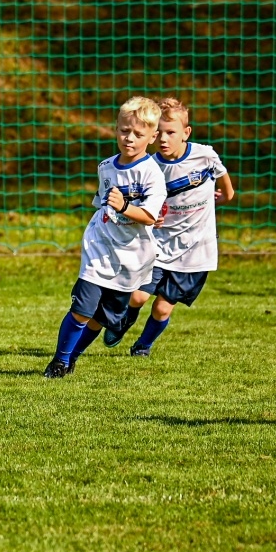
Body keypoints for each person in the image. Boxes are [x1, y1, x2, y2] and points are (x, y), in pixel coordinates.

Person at [45, 96, 166, 377]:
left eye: (138, 134)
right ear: (116, 129)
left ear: (152, 136)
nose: (129, 138)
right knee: (83, 309)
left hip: (132, 254)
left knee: (102, 317)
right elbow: (102, 204)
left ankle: (73, 356)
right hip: (99, 247)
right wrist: (113, 209)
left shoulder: (151, 174)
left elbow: (149, 215)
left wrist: (125, 207)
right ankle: (60, 361)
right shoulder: (106, 166)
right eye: (124, 131)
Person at [103, 97, 235, 355]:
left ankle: (143, 346)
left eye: (171, 132)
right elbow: (143, 202)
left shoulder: (205, 156)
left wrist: (224, 196)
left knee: (162, 308)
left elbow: (226, 186)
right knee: (138, 296)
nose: (164, 139)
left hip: (196, 249)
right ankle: (121, 323)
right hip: (159, 243)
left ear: (186, 133)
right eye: (159, 133)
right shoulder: (150, 166)